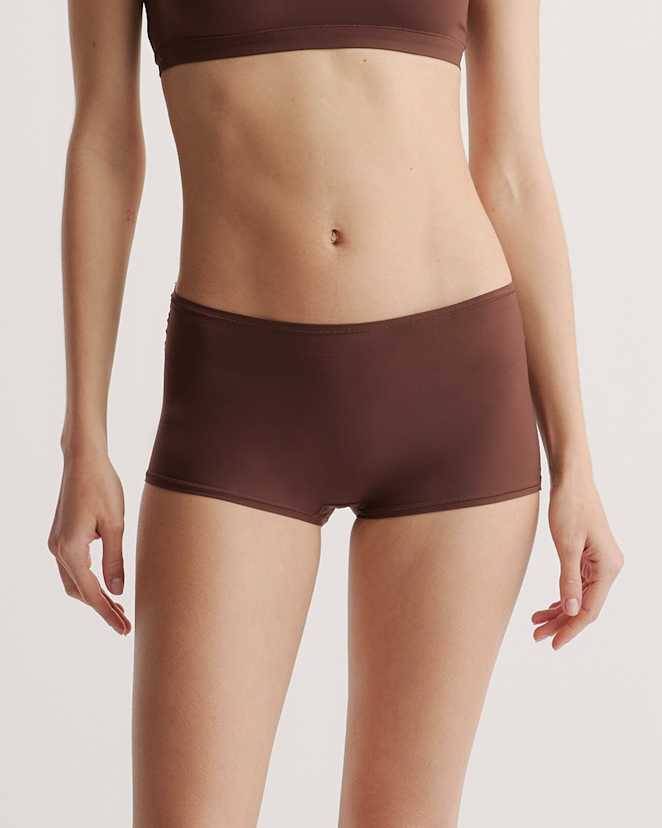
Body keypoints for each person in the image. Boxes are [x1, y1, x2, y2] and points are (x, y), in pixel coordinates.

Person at [48, 1, 624, 825]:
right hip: (240, 402)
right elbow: (104, 144)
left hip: (456, 396)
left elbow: (514, 169)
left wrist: (576, 464)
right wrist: (84, 438)